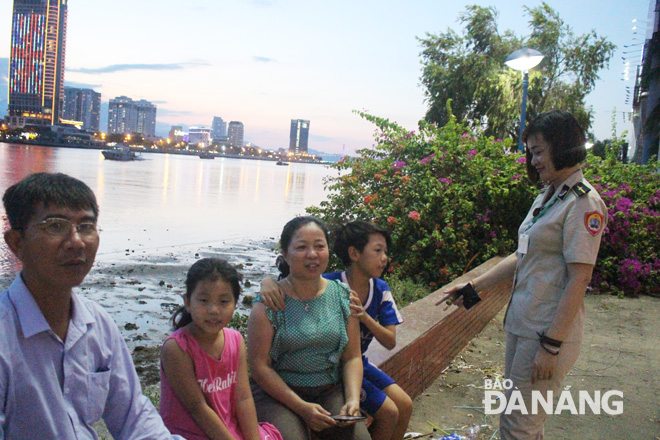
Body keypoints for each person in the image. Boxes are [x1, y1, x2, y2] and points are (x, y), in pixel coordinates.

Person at [437, 110, 607, 440]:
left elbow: (579, 279)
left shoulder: (584, 203)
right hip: (524, 324)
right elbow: (522, 255)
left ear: (564, 147)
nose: (534, 159)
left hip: (546, 332)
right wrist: (473, 287)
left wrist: (552, 345)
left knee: (518, 426)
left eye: (540, 151)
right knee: (523, 424)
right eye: (530, 151)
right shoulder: (548, 196)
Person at [0, 172, 182, 439]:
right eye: (55, 226)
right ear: (16, 243)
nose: (76, 242)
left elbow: (133, 416)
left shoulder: (97, 324)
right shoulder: (5, 335)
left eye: (86, 226)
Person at [260, 221, 412, 440]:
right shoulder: (328, 283)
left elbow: (377, 347)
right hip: (320, 375)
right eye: (377, 251)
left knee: (403, 405)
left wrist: (364, 316)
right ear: (354, 253)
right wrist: (268, 282)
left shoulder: (352, 292)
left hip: (348, 369)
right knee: (388, 412)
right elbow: (259, 365)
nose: (384, 258)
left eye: (319, 246)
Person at [247, 216, 370, 440]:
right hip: (278, 394)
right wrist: (302, 407)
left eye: (319, 246)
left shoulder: (343, 296)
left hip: (329, 389)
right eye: (301, 247)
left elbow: (352, 357)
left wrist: (352, 399)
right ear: (285, 253)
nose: (312, 254)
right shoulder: (269, 303)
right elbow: (259, 367)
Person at [159, 258, 282, 440]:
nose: (213, 310)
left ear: (235, 304)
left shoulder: (235, 340)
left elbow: (243, 399)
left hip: (229, 428)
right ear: (187, 302)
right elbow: (198, 408)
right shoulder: (177, 348)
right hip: (190, 433)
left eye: (224, 301)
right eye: (203, 300)